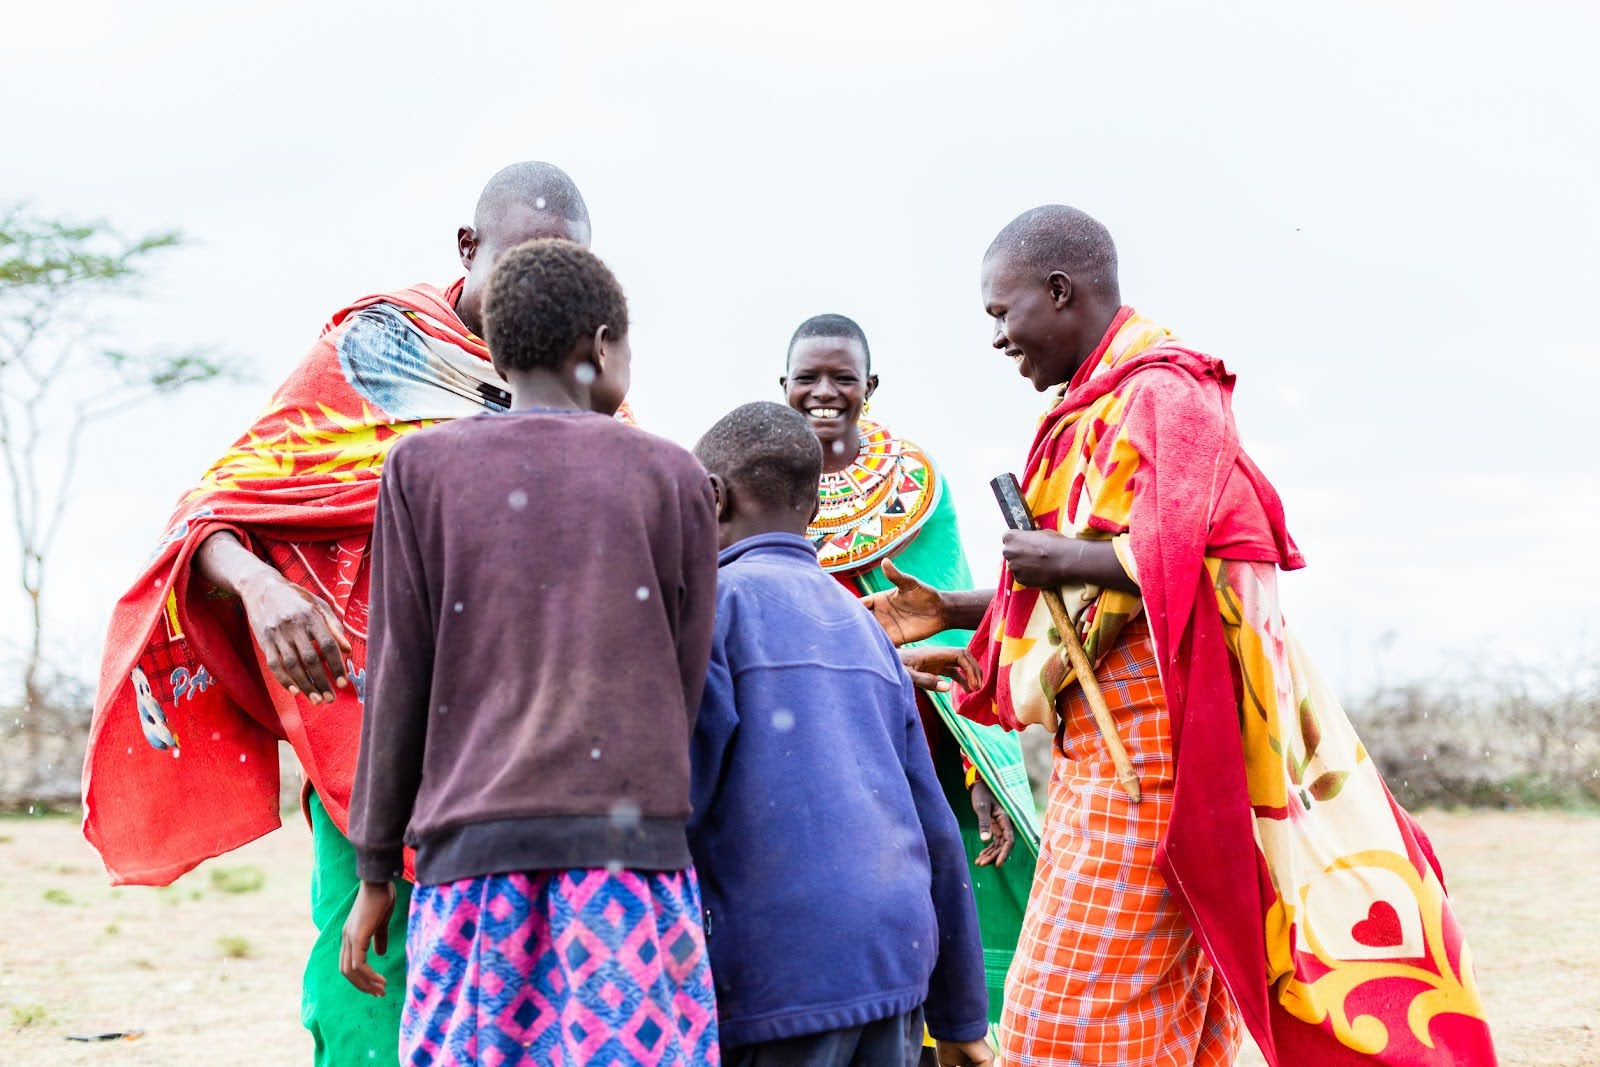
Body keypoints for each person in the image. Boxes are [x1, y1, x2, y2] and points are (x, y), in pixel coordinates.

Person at [862, 206, 1495, 1065]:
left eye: (1001, 313)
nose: (1000, 338)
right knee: (1154, 1017)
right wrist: (961, 607)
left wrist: (1062, 554)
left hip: (1154, 763)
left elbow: (1219, 551)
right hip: (1107, 755)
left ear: (1058, 291)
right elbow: (1096, 580)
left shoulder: (1165, 393)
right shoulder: (1093, 408)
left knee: (1064, 1020)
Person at [82, 162, 603, 1065]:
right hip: (373, 735)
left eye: (565, 272)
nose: (538, 294)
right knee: (367, 989)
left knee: (536, 998)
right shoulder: (374, 355)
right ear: (467, 249)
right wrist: (261, 585)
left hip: (534, 757)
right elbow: (209, 513)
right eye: (520, 264)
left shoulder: (588, 389)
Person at [340, 238, 719, 1065]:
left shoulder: (421, 468)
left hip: (474, 862)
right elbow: (683, 680)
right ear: (599, 344)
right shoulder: (674, 477)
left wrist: (376, 868)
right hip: (629, 864)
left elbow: (399, 672)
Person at [687, 401, 993, 1067]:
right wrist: (963, 1013)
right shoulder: (864, 630)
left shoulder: (711, 610)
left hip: (774, 983)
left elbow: (681, 800)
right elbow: (935, 830)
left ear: (710, 497)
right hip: (894, 971)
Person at [780, 313, 1037, 1031]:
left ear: (871, 387)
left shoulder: (917, 485)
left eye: (842, 378)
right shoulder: (760, 477)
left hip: (916, 738)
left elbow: (962, 627)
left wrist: (982, 769)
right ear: (783, 386)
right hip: (805, 737)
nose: (823, 392)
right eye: (807, 377)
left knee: (941, 916)